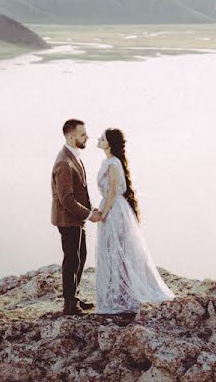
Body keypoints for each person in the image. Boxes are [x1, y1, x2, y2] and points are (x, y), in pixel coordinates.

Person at [94, 128, 175, 314]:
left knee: (116, 250)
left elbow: (113, 190)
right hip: (111, 206)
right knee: (111, 250)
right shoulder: (108, 162)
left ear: (110, 143)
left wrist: (104, 213)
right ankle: (115, 292)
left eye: (102, 138)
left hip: (114, 210)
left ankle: (119, 294)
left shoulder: (113, 163)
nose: (98, 140)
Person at [51, 118, 103, 315]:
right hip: (67, 219)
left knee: (80, 256)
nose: (87, 137)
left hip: (75, 218)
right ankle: (69, 304)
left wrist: (91, 209)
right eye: (83, 134)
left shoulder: (74, 156)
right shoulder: (64, 162)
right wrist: (89, 215)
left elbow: (80, 190)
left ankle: (74, 297)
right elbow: (67, 199)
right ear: (71, 136)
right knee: (72, 259)